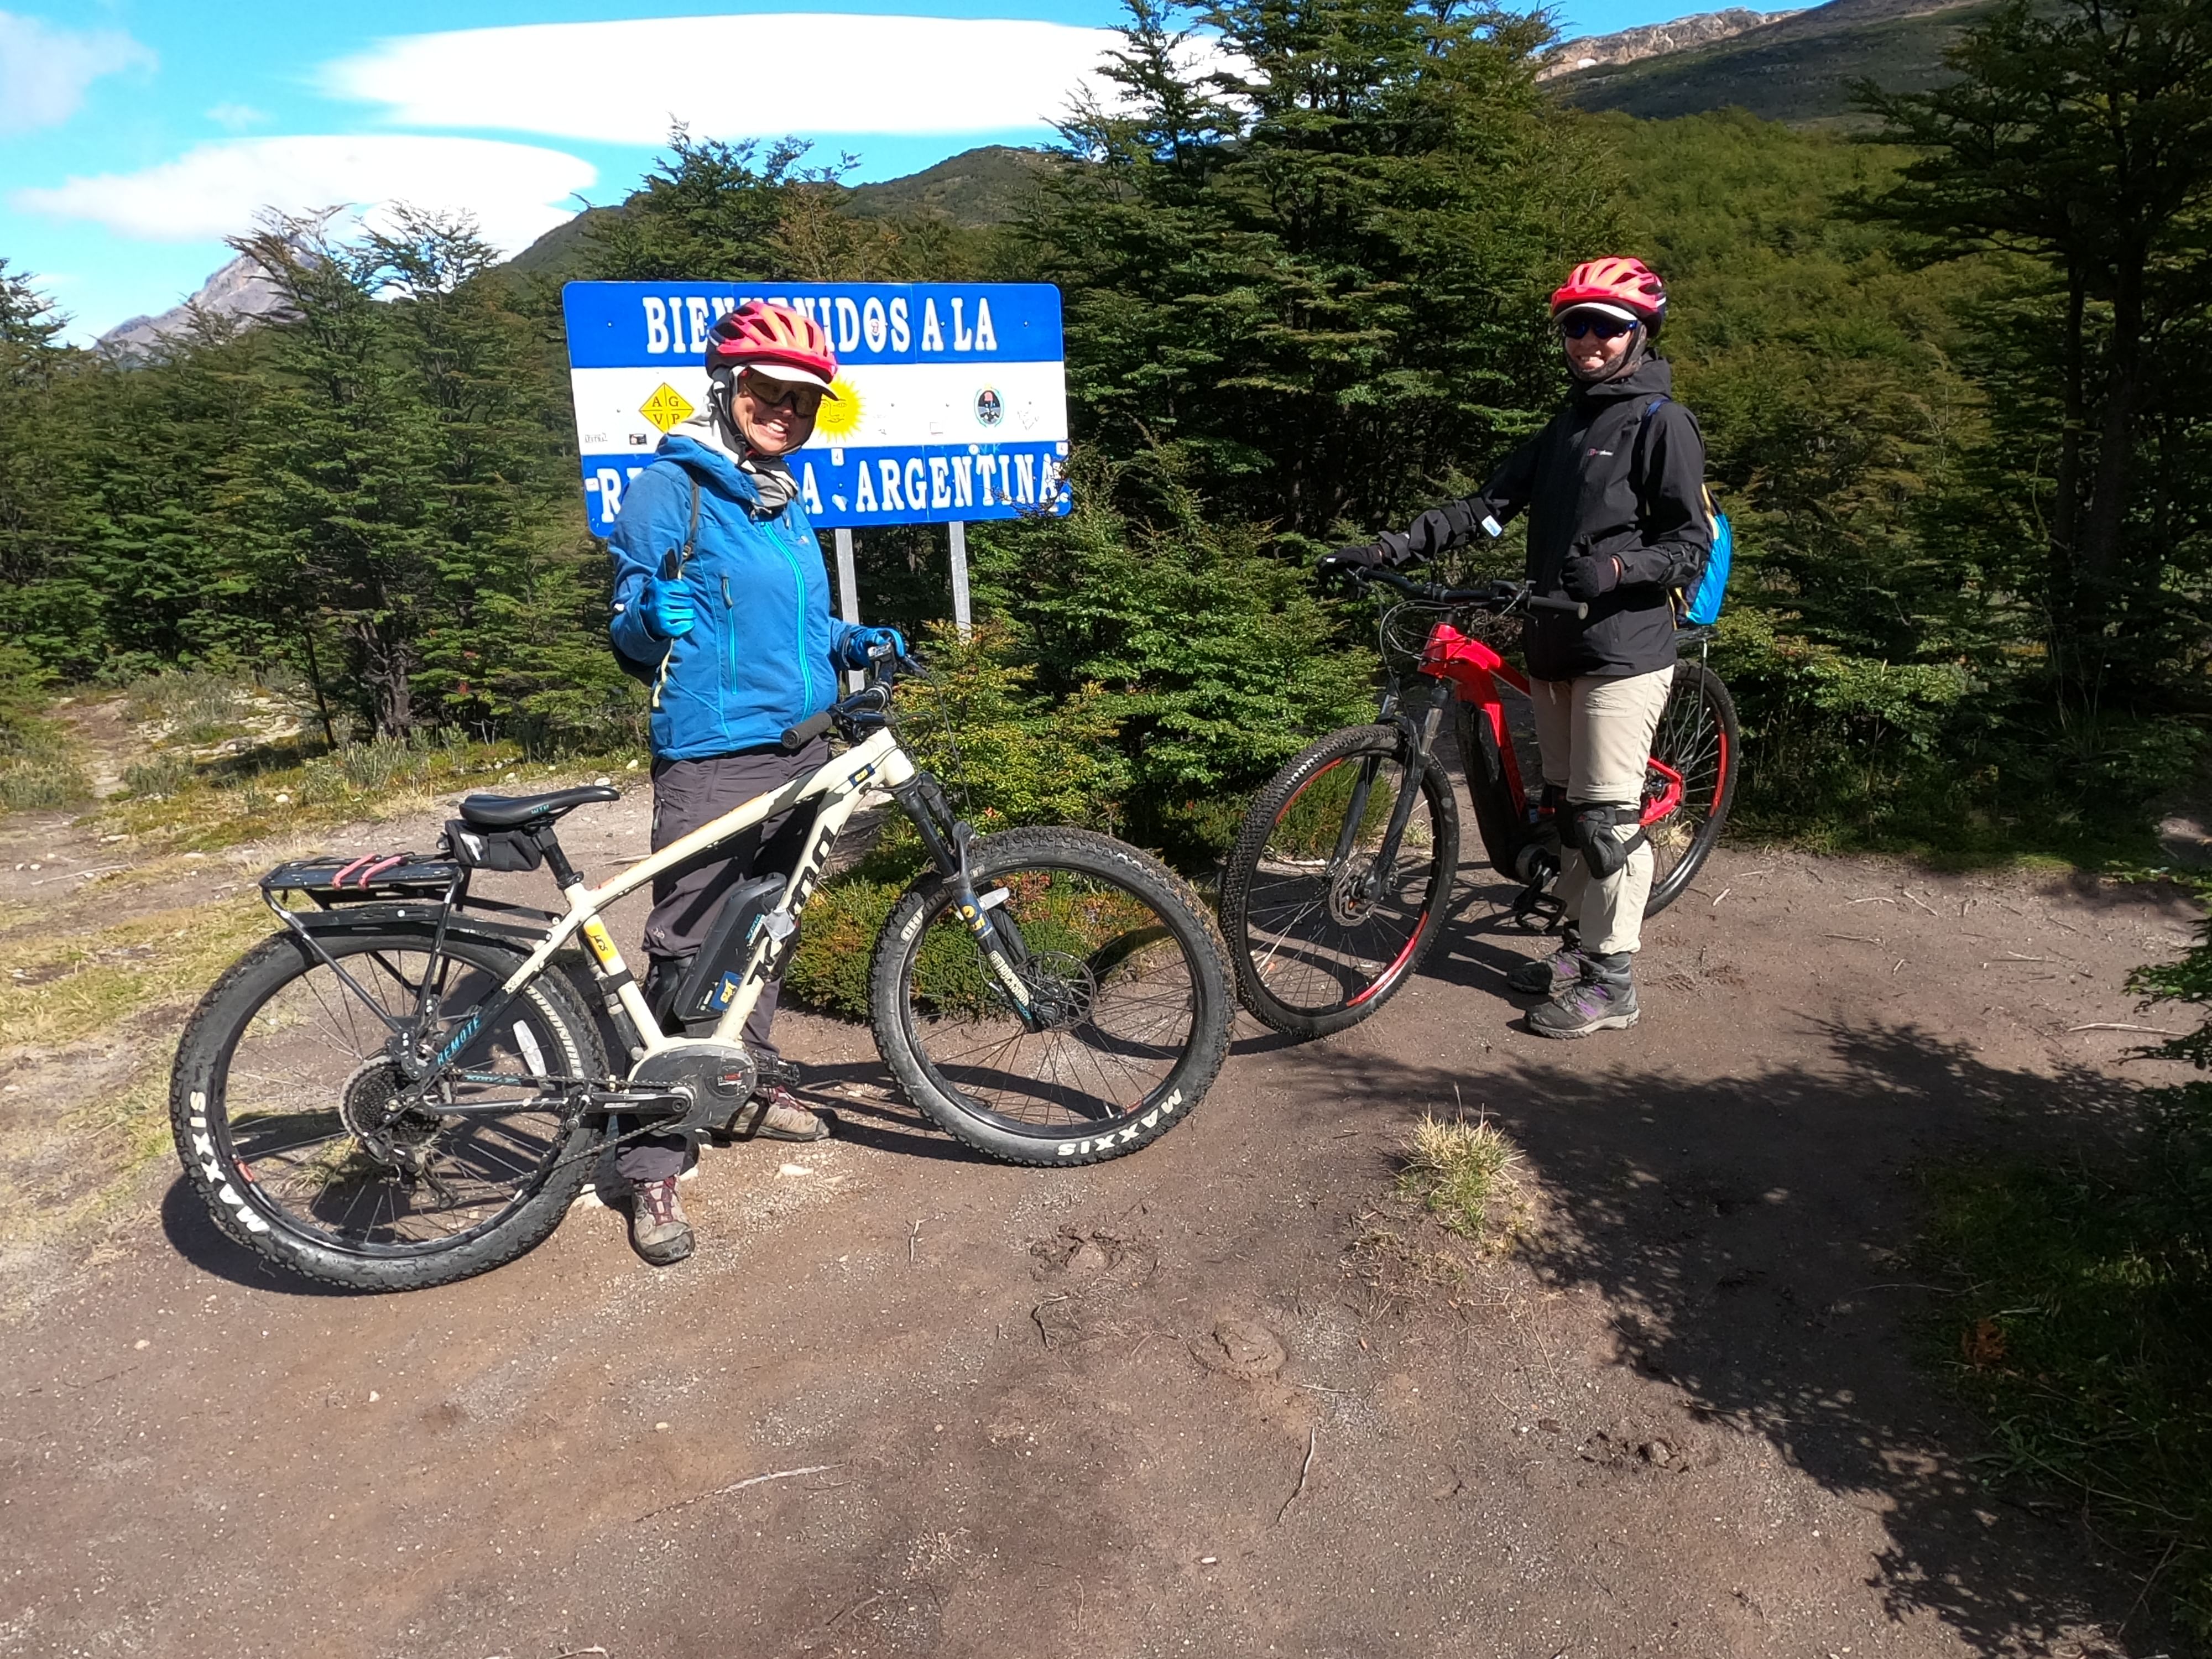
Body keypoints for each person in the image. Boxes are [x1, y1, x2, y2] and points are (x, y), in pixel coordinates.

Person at [1322, 257, 1710, 1039]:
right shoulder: (1569, 425)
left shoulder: (1660, 423)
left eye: (1606, 327)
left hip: (1623, 650)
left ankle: (1612, 981)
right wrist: (1387, 550)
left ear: (1640, 334)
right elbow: (1488, 508)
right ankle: (1577, 951)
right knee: (1567, 814)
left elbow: (1688, 544)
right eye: (1576, 326)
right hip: (1556, 643)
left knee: (1606, 820)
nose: (1588, 341)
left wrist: (1613, 569)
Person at [606, 298, 903, 1264]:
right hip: (714, 753)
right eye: (769, 392)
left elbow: (791, 623)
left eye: (804, 400)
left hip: (803, 745)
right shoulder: (671, 489)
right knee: (688, 937)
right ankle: (650, 1161)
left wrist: (849, 642)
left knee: (770, 924)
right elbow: (626, 632)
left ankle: (751, 1076)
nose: (787, 410)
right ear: (728, 389)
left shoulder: (781, 493)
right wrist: (650, 618)